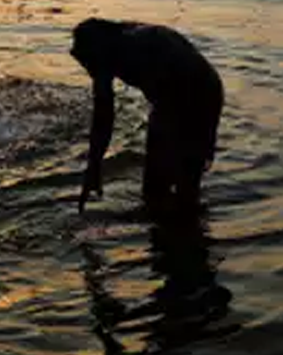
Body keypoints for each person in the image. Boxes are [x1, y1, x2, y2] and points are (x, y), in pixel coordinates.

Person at [70, 18, 222, 215]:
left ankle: (176, 229)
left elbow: (104, 115)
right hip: (198, 90)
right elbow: (104, 115)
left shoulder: (122, 51)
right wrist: (94, 166)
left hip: (195, 95)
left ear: (97, 50)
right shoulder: (115, 42)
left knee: (165, 187)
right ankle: (185, 230)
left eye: (84, 59)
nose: (87, 68)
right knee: (174, 184)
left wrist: (94, 167)